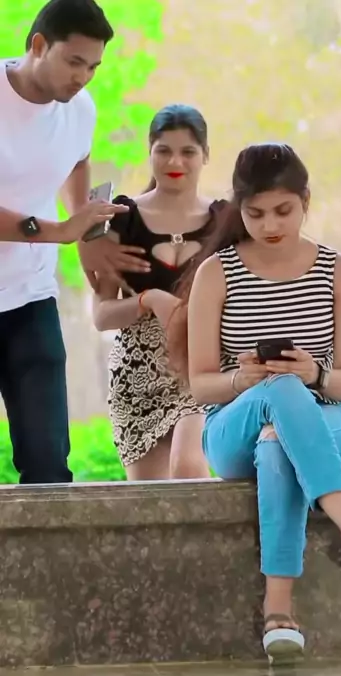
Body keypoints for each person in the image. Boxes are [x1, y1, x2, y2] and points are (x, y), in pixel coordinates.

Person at [187, 142, 341, 664]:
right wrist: (245, 379)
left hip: (328, 421)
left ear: (306, 201)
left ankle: (278, 610)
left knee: (278, 442)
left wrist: (315, 373)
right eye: (255, 213)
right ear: (239, 209)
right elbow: (201, 386)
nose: (270, 224)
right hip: (232, 426)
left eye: (283, 210)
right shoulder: (216, 273)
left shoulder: (340, 271)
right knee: (279, 394)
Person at [0, 0, 150, 485]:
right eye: (74, 62)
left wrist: (88, 232)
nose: (83, 77)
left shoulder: (80, 109)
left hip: (30, 296)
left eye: (93, 67)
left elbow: (77, 160)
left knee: (48, 462)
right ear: (38, 45)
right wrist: (60, 231)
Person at [92, 104, 227, 480]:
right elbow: (101, 315)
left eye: (188, 152)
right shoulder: (121, 217)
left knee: (188, 464)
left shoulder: (225, 220)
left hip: (200, 365)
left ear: (205, 155)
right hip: (137, 376)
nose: (175, 162)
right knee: (154, 501)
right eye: (163, 150)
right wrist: (148, 299)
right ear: (149, 152)